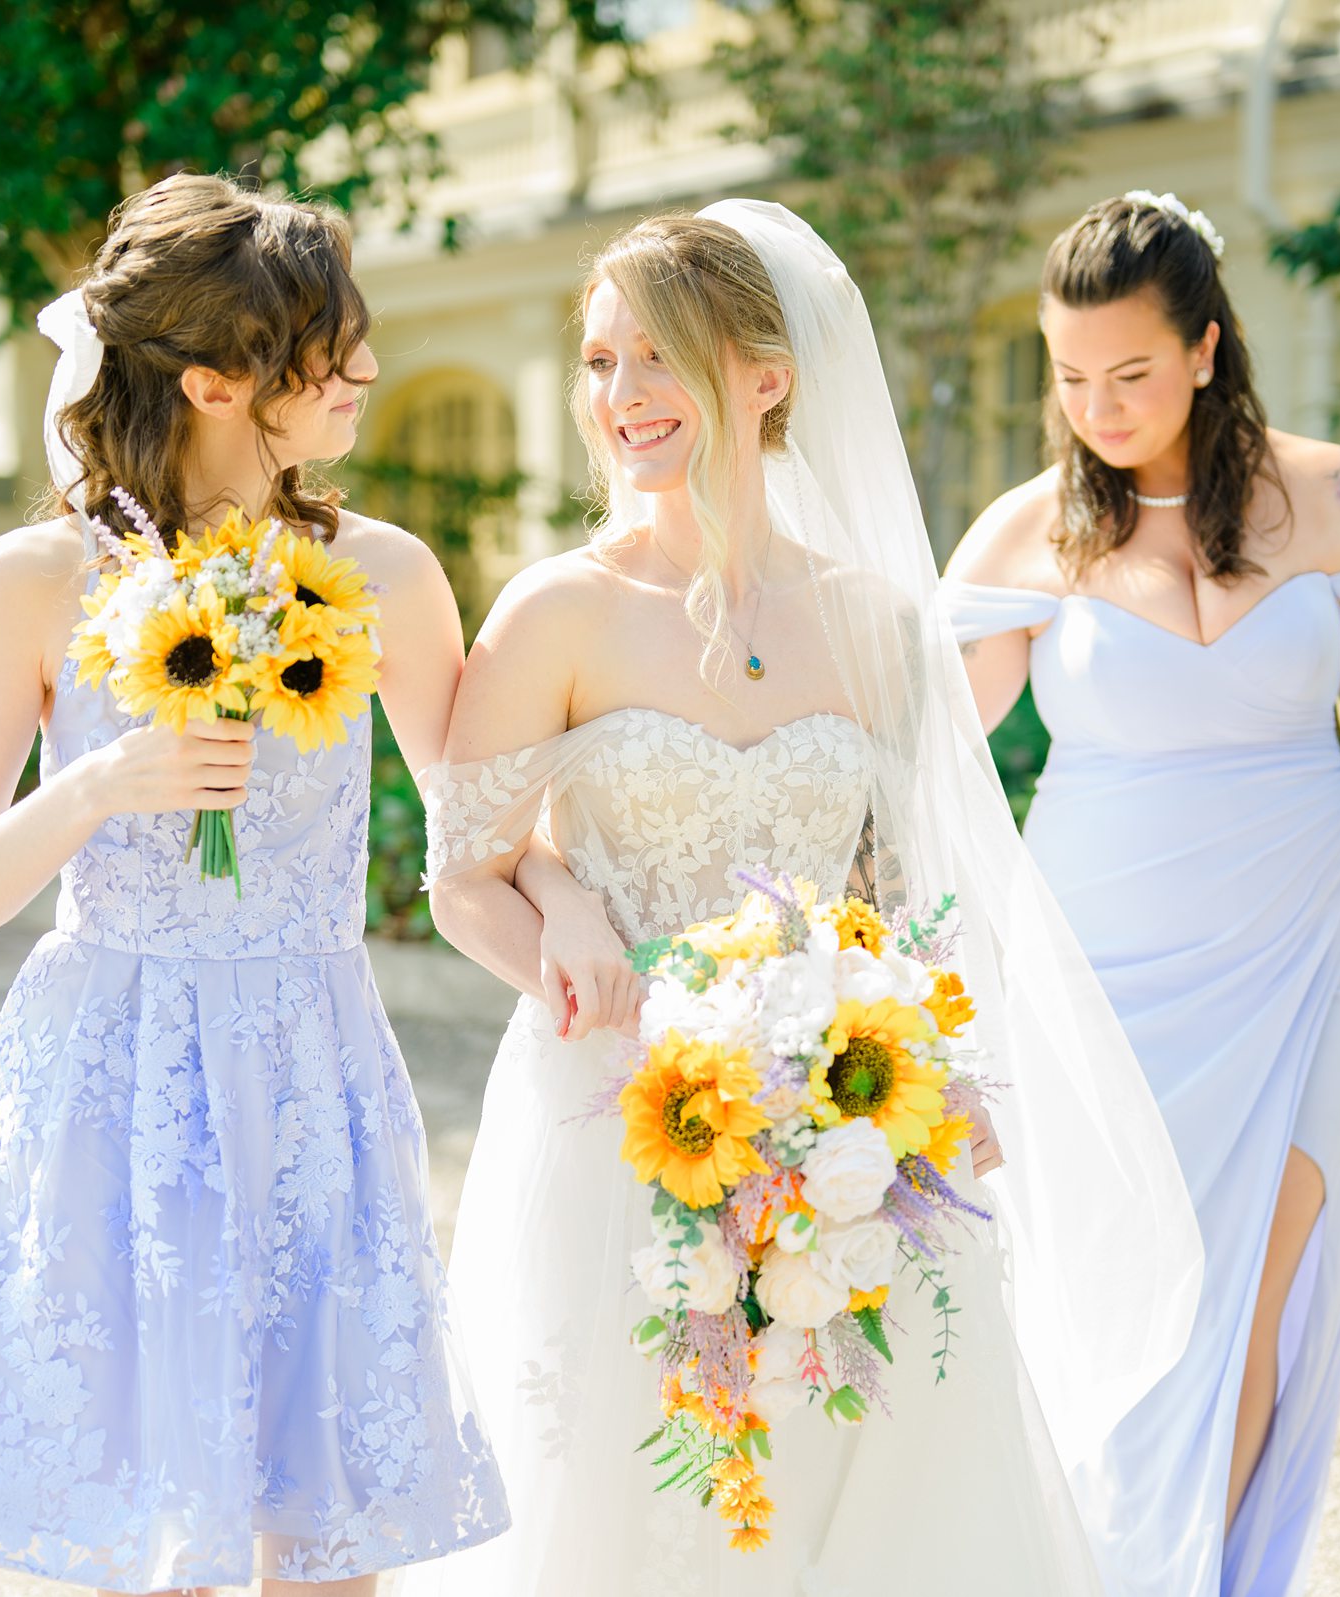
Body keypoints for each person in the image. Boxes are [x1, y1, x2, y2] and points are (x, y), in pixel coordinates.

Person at [394, 201, 1201, 1597]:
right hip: (620, 1118)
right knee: (636, 1487)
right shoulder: (555, 613)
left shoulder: (875, 623)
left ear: (766, 374)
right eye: (599, 362)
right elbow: (459, 869)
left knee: (853, 1474)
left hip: (842, 1126)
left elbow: (902, 894)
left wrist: (931, 1081)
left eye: (658, 357)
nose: (622, 396)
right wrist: (566, 932)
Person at [0, 173, 505, 1594]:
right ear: (213, 380)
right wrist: (99, 785)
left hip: (314, 1072)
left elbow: (485, 822)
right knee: (160, 1551)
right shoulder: (28, 580)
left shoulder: (387, 573)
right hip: (115, 1085)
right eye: (325, 355)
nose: (366, 375)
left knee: (328, 1538)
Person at [942, 191, 1340, 1596]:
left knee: (1261, 1268)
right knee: (1134, 1286)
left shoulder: (1339, 497)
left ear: (1208, 347)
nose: (1099, 406)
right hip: (1103, 956)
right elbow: (923, 772)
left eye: (1131, 373)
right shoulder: (1025, 538)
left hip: (1305, 931)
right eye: (1072, 377)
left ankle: (1206, 1575)